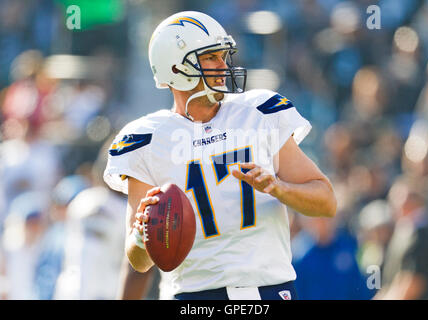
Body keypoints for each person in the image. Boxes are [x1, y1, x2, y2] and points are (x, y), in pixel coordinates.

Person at [104, 11, 336, 300]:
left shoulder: (258, 111)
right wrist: (142, 234)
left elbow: (326, 202)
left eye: (223, 56)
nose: (223, 65)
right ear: (175, 68)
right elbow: (139, 262)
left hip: (267, 290)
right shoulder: (145, 138)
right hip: (190, 296)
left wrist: (279, 188)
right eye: (211, 57)